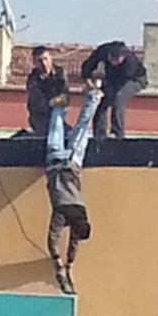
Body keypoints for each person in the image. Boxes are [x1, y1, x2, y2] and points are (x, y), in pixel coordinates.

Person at [45, 87, 102, 294]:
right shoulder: (61, 211)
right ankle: (60, 107)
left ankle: (93, 96)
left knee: (82, 128)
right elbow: (53, 239)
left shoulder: (80, 211)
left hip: (71, 162)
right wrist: (61, 263)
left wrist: (67, 263)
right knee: (56, 131)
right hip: (55, 164)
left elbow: (72, 243)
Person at [81, 40, 147, 139]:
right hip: (111, 78)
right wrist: (89, 82)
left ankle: (117, 133)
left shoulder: (130, 63)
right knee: (101, 100)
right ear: (108, 55)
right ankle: (99, 134)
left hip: (134, 79)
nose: (115, 62)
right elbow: (88, 65)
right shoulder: (102, 51)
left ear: (123, 57)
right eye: (112, 59)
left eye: (118, 60)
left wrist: (108, 90)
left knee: (118, 98)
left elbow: (120, 84)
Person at [26, 46, 69, 136]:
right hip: (40, 117)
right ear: (35, 63)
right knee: (44, 135)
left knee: (68, 134)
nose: (44, 63)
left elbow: (65, 95)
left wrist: (59, 101)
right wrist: (53, 102)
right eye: (40, 61)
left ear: (50, 58)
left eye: (46, 59)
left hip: (58, 112)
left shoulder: (59, 73)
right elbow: (38, 103)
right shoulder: (33, 79)